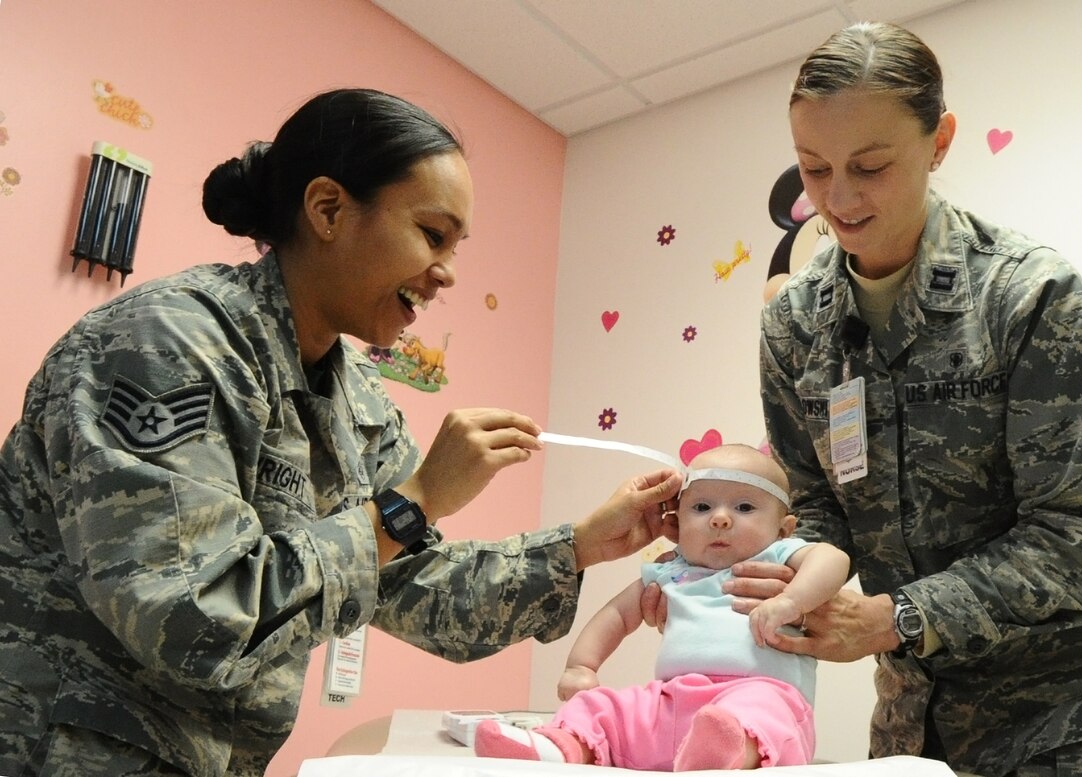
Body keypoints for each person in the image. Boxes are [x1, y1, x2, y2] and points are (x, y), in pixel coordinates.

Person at [0, 88, 682, 777]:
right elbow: (192, 620)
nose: (446, 272)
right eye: (432, 234)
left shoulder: (357, 399)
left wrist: (581, 545)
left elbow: (418, 586)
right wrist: (409, 501)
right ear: (328, 210)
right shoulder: (170, 342)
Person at [646, 21, 1082, 777]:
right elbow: (816, 505)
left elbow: (1072, 533)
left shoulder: (1030, 297)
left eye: (870, 166)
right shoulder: (794, 325)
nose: (838, 199)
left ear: (939, 140)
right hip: (908, 727)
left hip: (1057, 717)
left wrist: (892, 617)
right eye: (813, 168)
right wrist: (741, 554)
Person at [474, 444, 850, 771]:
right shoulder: (672, 571)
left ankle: (731, 749)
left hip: (761, 692)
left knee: (761, 711)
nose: (720, 518)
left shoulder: (779, 556)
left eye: (744, 506)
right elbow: (617, 615)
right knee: (606, 706)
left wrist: (791, 600)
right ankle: (559, 746)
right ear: (676, 523)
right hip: (672, 700)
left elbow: (832, 560)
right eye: (702, 507)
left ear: (784, 528)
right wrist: (582, 667)